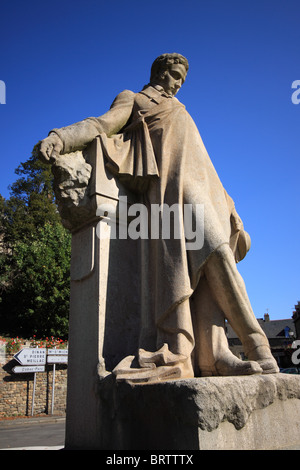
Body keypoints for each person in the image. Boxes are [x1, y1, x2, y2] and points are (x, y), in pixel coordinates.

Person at [39, 53, 279, 381]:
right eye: (175, 75)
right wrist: (60, 138)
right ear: (159, 71)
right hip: (170, 193)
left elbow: (203, 163)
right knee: (217, 255)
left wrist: (231, 207)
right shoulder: (135, 99)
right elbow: (101, 124)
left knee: (212, 268)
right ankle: (257, 347)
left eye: (182, 79)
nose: (179, 84)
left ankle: (215, 355)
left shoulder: (181, 109)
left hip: (204, 192)